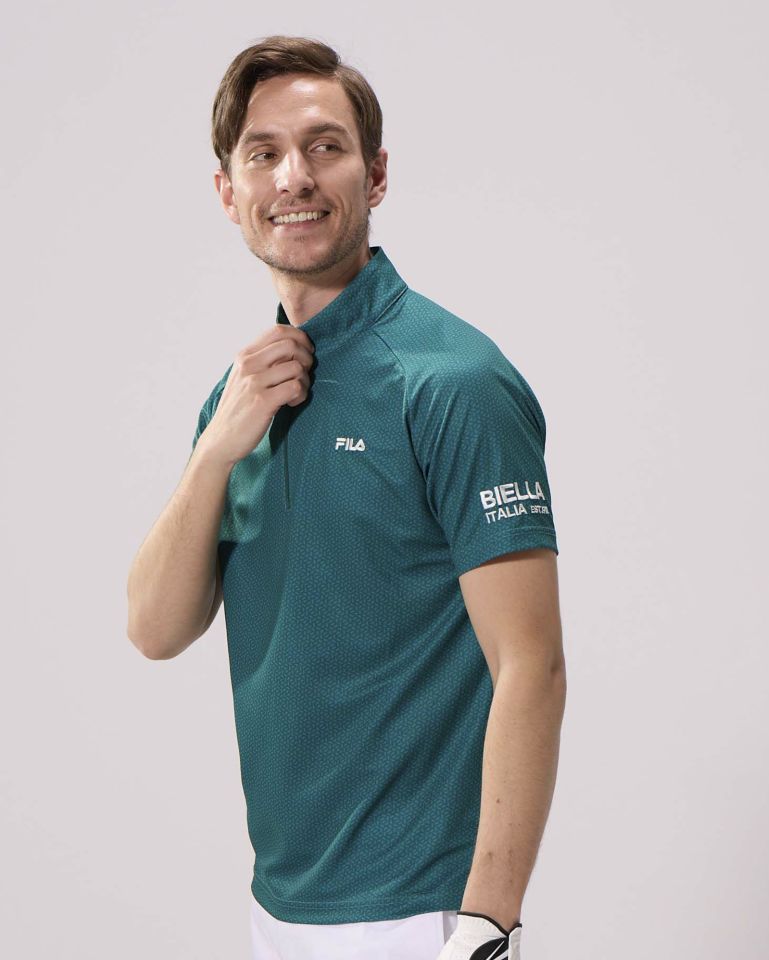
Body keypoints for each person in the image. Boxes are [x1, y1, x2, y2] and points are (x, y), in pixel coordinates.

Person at [127, 34, 566, 960]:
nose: (295, 175)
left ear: (375, 175)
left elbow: (532, 664)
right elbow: (155, 629)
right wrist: (215, 451)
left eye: (325, 146)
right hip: (280, 907)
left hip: (424, 912)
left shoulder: (452, 381)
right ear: (229, 193)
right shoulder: (239, 400)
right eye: (264, 154)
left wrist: (487, 925)